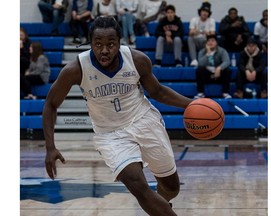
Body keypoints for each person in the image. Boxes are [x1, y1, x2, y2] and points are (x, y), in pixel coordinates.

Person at [43, 16, 192, 216]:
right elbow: (51, 104)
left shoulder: (137, 60)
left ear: (120, 42)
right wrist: (50, 147)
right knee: (137, 184)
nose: (104, 50)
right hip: (110, 134)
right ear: (91, 43)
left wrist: (192, 104)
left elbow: (157, 92)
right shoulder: (76, 69)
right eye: (98, 44)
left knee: (171, 187)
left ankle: (161, 207)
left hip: (144, 121)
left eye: (111, 44)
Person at [194, 34, 232, 99]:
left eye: (212, 40)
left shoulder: (222, 51)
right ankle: (201, 93)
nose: (210, 42)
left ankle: (225, 92)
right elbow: (200, 63)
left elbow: (227, 61)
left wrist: (219, 68)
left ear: (216, 42)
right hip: (207, 74)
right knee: (199, 70)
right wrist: (208, 54)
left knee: (227, 70)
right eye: (208, 41)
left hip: (219, 74)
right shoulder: (202, 52)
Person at [187, 1, 215, 67]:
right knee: (190, 38)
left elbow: (213, 34)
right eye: (203, 11)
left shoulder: (211, 21)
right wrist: (198, 31)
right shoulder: (194, 20)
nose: (205, 13)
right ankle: (194, 60)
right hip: (196, 40)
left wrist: (207, 33)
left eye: (207, 12)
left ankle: (206, 61)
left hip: (205, 41)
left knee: (210, 41)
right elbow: (190, 33)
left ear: (208, 13)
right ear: (200, 12)